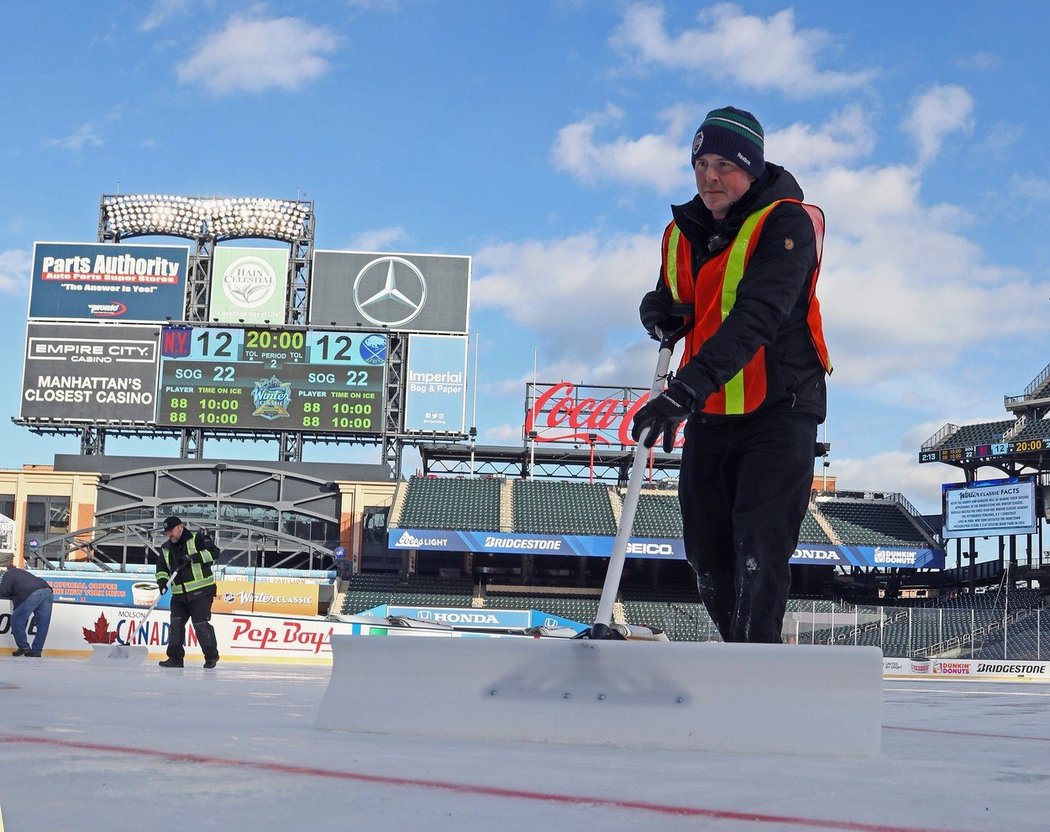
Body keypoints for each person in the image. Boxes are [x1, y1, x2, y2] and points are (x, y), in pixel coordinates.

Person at [632, 106, 832, 644]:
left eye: (723, 163)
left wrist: (683, 392)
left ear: (751, 166)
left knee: (758, 549)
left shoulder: (787, 222)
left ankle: (756, 660)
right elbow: (683, 299)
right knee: (706, 553)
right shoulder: (684, 230)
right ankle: (738, 653)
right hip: (714, 410)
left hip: (780, 403)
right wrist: (659, 308)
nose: (709, 177)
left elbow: (757, 317)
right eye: (699, 164)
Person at [156, 515, 221, 668]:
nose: (169, 535)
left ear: (181, 527)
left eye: (171, 531)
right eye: (167, 532)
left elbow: (215, 553)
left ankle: (211, 657)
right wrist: (162, 581)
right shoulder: (166, 548)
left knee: (200, 625)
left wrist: (194, 557)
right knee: (175, 626)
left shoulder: (197, 539)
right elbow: (161, 568)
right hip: (178, 595)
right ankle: (175, 658)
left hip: (201, 592)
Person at [0, 565, 54, 657]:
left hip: (32, 593)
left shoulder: (8, 574)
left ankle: (23, 646)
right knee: (43, 624)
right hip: (48, 590)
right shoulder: (24, 573)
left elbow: (4, 591)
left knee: (16, 619)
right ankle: (36, 651)